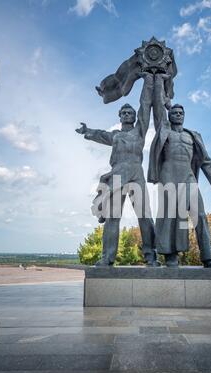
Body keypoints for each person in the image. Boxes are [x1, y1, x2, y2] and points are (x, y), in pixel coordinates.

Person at [76, 73, 158, 266]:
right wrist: (87, 132)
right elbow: (100, 134)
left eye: (130, 113)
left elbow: (145, 104)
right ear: (120, 116)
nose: (127, 115)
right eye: (124, 113)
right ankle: (107, 257)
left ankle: (151, 256)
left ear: (135, 117)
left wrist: (148, 81)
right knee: (113, 217)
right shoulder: (115, 136)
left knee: (145, 216)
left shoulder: (140, 131)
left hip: (137, 173)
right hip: (118, 174)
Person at [148, 74, 211, 268]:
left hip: (188, 177)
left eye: (180, 113)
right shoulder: (164, 131)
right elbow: (158, 106)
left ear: (184, 116)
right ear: (169, 115)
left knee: (199, 215)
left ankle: (208, 257)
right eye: (174, 112)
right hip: (168, 175)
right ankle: (170, 255)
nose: (177, 114)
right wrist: (159, 81)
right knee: (169, 216)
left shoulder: (193, 136)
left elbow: (206, 162)